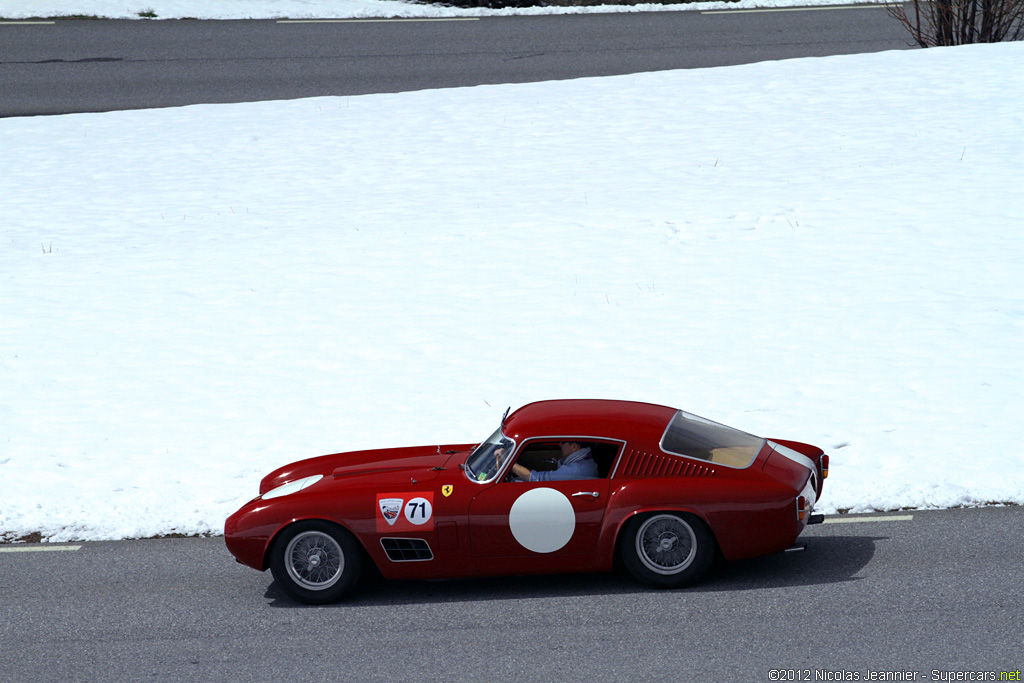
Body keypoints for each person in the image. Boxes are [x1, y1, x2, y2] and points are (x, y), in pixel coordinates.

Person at [508, 441, 599, 482]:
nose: (559, 444)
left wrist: (510, 464)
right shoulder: (586, 462)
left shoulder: (575, 470)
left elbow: (537, 479)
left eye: (563, 442)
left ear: (574, 446)